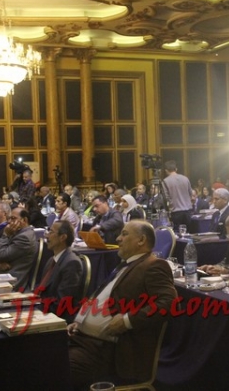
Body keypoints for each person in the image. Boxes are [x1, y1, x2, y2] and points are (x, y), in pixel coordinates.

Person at [67, 221, 177, 388]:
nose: (118, 238)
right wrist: (80, 321)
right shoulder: (124, 266)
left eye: (124, 234)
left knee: (53, 368)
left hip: (107, 352)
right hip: (81, 340)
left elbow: (169, 303)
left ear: (141, 240)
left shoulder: (153, 265)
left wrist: (127, 321)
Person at [37, 220, 84, 322]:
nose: (47, 236)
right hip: (43, 309)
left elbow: (61, 304)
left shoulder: (72, 263)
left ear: (63, 237)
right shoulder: (52, 260)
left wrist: (34, 309)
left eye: (51, 232)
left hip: (56, 318)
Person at [0, 208, 38, 291]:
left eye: (13, 218)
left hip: (13, 282)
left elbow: (0, 255)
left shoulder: (24, 238)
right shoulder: (17, 232)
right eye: (9, 218)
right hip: (3, 276)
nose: (9, 221)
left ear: (24, 220)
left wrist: (5, 235)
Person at [162, 160, 193, 232]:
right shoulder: (185, 178)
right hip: (188, 211)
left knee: (177, 234)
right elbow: (190, 193)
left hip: (176, 212)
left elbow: (166, 197)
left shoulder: (165, 181)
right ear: (176, 169)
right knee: (188, 233)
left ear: (166, 170)